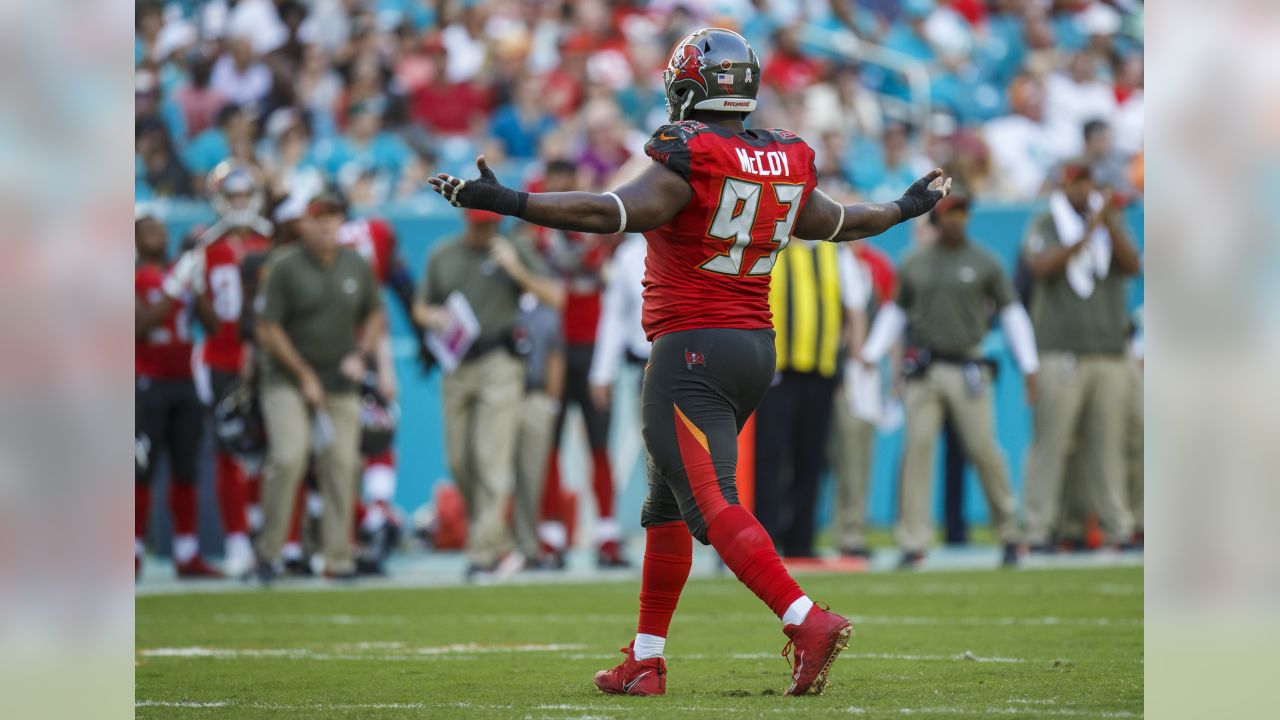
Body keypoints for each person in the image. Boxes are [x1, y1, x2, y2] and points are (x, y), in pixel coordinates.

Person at [427, 28, 951, 696]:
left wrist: (507, 201)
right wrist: (908, 205)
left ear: (687, 86)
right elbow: (842, 222)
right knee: (666, 506)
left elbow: (609, 211)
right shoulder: (786, 157)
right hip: (754, 349)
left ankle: (805, 619)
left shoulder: (689, 154)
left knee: (708, 505)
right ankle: (646, 660)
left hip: (690, 349)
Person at [858, 194, 1039, 570]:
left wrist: (1029, 364)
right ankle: (913, 540)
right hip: (925, 369)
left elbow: (1011, 313)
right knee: (917, 451)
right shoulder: (915, 262)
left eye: (962, 213)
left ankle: (1009, 532)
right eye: (950, 213)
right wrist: (872, 353)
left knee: (984, 450)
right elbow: (895, 311)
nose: (956, 219)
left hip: (968, 366)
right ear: (938, 217)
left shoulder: (984, 261)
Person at [412, 210, 563, 582]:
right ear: (467, 220)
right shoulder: (442, 254)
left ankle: (483, 554)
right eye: (479, 223)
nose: (486, 230)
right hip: (456, 362)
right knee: (460, 460)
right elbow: (420, 305)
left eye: (491, 223)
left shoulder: (514, 248)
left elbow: (556, 296)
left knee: (490, 458)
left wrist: (516, 270)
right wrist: (433, 317)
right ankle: (498, 542)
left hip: (500, 363)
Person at [252, 194, 385, 582]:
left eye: (332, 218)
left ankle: (337, 557)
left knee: (343, 465)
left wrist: (361, 353)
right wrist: (304, 374)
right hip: (287, 379)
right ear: (303, 225)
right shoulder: (285, 266)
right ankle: (269, 555)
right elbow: (267, 328)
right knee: (290, 457)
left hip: (339, 381)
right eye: (317, 218)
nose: (325, 226)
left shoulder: (355, 264)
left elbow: (375, 312)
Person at [1021, 162, 1142, 552]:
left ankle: (1118, 527)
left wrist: (1106, 225)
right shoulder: (1045, 222)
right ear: (1065, 185)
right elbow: (1041, 266)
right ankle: (1039, 528)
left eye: (1089, 182)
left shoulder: (1110, 222)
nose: (1084, 189)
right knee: (1052, 444)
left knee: (1108, 446)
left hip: (1108, 351)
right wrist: (1086, 234)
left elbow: (1132, 265)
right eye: (1078, 182)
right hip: (1061, 350)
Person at [527, 160, 626, 568]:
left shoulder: (589, 227)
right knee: (550, 443)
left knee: (598, 442)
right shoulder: (539, 233)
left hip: (591, 348)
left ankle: (606, 532)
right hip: (553, 349)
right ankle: (552, 533)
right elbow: (574, 258)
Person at [754, 237, 870, 558]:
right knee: (769, 457)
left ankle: (801, 540)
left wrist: (855, 363)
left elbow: (855, 312)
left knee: (812, 459)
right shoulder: (770, 250)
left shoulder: (837, 255)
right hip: (775, 373)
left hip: (821, 371)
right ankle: (765, 538)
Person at [192, 162, 274, 577]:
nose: (240, 204)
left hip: (266, 358)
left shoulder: (268, 240)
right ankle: (238, 541)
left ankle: (263, 533)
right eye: (233, 196)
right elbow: (199, 310)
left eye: (246, 195)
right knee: (230, 450)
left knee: (269, 449)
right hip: (221, 358)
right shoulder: (204, 245)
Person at [135, 209, 221, 579]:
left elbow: (214, 326)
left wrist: (197, 286)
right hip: (146, 382)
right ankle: (133, 552)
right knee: (141, 470)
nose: (158, 235)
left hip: (184, 381)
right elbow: (139, 325)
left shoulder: (181, 275)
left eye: (160, 229)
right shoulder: (133, 277)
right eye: (148, 230)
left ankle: (187, 553)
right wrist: (174, 288)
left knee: (186, 469)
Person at [512, 298, 566, 567]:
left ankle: (527, 545)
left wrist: (551, 401)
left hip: (534, 394)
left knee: (532, 475)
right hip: (503, 395)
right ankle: (498, 542)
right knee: (493, 473)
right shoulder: (500, 305)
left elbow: (555, 354)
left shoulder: (547, 310)